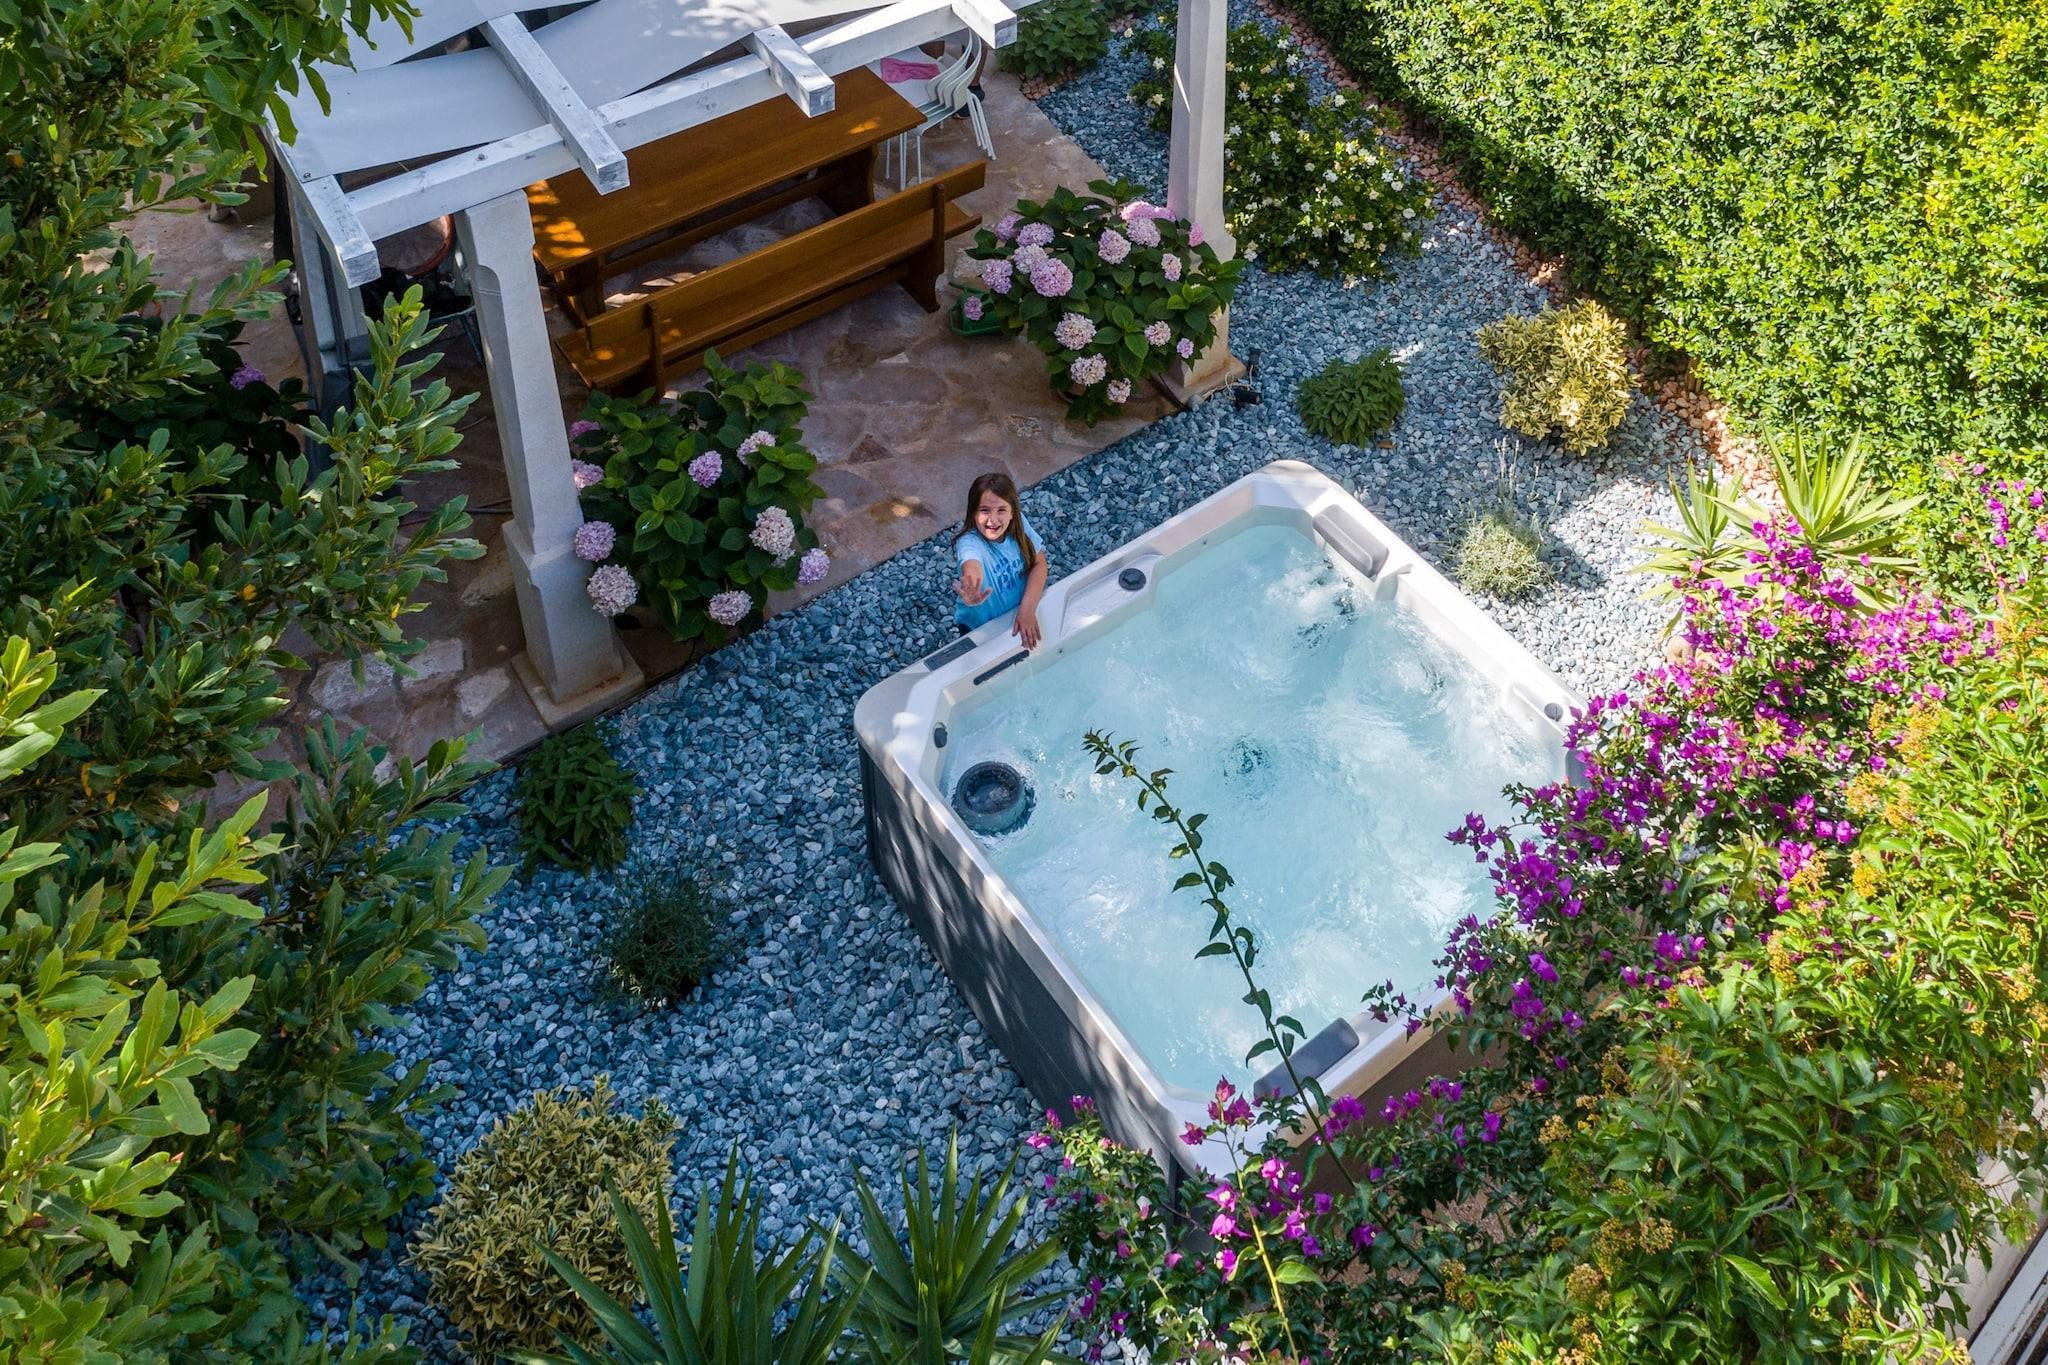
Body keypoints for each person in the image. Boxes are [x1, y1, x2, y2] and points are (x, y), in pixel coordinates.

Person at [952, 471, 1048, 647]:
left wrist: (1027, 609)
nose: (993, 520)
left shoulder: (1019, 524)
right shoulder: (969, 542)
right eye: (984, 511)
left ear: (1012, 513)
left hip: (1021, 611)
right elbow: (971, 565)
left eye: (1001, 510)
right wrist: (971, 587)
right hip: (980, 628)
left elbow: (1039, 563)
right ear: (973, 513)